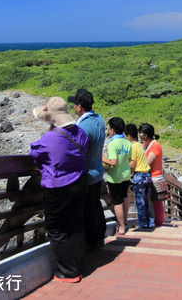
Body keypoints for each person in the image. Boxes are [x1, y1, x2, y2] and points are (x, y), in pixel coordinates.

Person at [29, 96, 88, 283]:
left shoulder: (49, 138)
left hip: (59, 187)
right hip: (81, 181)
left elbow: (35, 154)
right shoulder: (81, 133)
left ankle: (69, 271)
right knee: (75, 223)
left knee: (55, 228)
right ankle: (78, 264)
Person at [68, 89, 106, 250]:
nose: (73, 108)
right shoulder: (99, 119)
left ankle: (92, 241)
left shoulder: (83, 126)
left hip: (87, 172)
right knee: (96, 206)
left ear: (79, 106)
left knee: (88, 209)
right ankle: (99, 237)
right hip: (98, 169)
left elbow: (76, 151)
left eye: (74, 104)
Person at [102, 117, 132, 235]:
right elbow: (129, 159)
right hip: (126, 174)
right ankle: (125, 221)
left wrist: (103, 158)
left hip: (115, 176)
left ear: (112, 129)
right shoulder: (127, 142)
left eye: (109, 128)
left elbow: (113, 162)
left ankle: (121, 227)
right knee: (125, 197)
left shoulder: (113, 143)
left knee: (117, 202)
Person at [125, 123, 153, 229]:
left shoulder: (133, 147)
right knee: (145, 202)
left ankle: (142, 225)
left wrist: (123, 163)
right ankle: (149, 223)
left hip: (139, 176)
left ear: (128, 136)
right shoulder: (140, 145)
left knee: (140, 203)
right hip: (147, 175)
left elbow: (132, 165)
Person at [139, 123, 165, 227]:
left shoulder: (155, 146)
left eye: (140, 133)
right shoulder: (145, 144)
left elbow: (146, 163)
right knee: (153, 202)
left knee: (157, 203)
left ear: (145, 135)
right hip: (149, 177)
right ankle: (151, 222)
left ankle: (159, 223)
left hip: (155, 178)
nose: (139, 135)